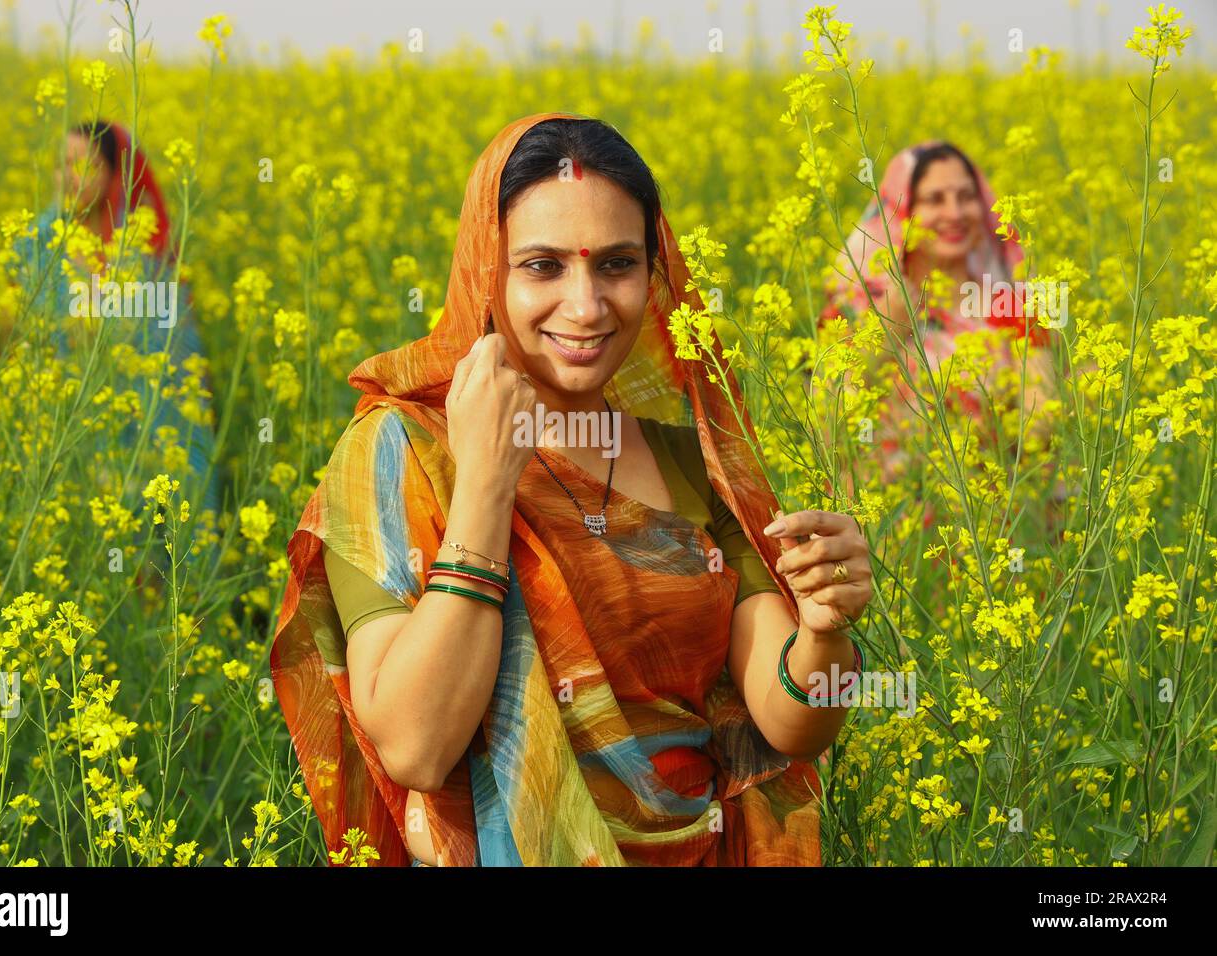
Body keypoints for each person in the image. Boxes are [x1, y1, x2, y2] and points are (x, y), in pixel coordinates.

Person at [269, 113, 874, 867]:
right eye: (544, 266)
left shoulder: (691, 459)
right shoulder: (403, 451)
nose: (586, 306)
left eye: (617, 265)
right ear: (485, 271)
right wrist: (486, 486)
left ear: (654, 275)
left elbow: (790, 726)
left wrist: (823, 629)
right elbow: (416, 749)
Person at [14, 119, 223, 542]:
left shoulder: (147, 252)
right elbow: (19, 343)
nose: (68, 177)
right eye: (62, 164)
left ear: (116, 177)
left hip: (146, 436)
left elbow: (182, 362)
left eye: (84, 166)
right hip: (64, 437)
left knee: (158, 561)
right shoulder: (35, 243)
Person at [818, 140, 1055, 481]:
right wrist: (890, 326)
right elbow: (830, 431)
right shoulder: (859, 303)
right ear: (902, 212)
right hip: (879, 519)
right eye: (934, 200)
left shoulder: (1014, 299)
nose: (955, 213)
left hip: (991, 519)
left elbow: (1041, 429)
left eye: (966, 197)